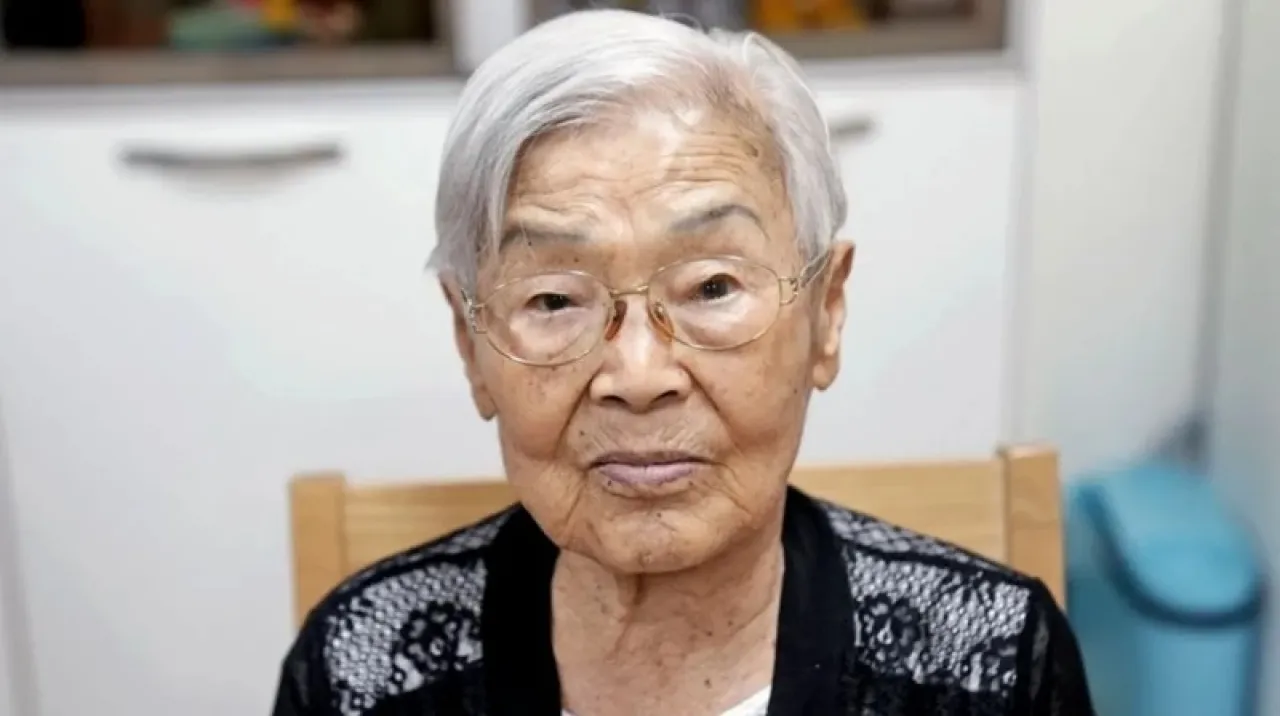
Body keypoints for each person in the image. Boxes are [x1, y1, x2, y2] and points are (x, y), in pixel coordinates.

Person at [271, 9, 1095, 716]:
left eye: (711, 287)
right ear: (471, 343)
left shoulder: (991, 663)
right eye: (553, 300)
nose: (637, 377)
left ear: (826, 313)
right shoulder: (359, 669)